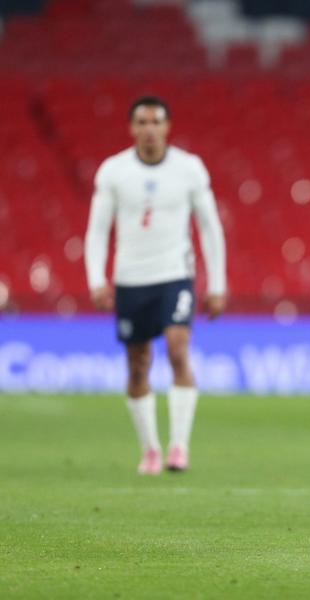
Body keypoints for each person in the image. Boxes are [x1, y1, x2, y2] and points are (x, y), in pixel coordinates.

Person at [84, 96, 227, 475]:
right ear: (132, 128)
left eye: (156, 122)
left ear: (167, 127)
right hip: (131, 278)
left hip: (175, 275)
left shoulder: (189, 168)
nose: (149, 129)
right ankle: (150, 448)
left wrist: (218, 283)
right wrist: (96, 279)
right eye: (142, 122)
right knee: (137, 365)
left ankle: (179, 447)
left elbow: (210, 227)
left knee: (178, 350)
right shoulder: (113, 171)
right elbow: (97, 230)